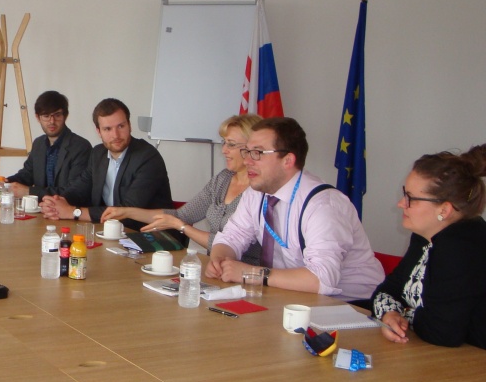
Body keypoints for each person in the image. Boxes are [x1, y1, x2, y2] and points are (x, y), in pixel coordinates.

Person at [206, 117, 384, 301]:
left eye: (257, 153)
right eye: (247, 152)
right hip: (292, 295)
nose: (247, 161)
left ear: (288, 160)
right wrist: (220, 260)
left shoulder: (323, 205)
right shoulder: (256, 193)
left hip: (352, 305)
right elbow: (232, 236)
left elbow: (322, 279)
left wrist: (251, 273)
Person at [102, 114, 263, 262]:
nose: (224, 150)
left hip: (247, 272)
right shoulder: (222, 179)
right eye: (224, 143)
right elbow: (181, 215)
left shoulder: (261, 190)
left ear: (251, 148)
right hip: (215, 267)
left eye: (231, 144)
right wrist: (127, 212)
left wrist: (181, 227)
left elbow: (229, 244)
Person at [372, 145, 486, 348]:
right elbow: (388, 290)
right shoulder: (424, 237)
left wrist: (403, 314)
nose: (401, 203)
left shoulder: (463, 248)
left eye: (411, 198)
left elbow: (442, 332)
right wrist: (390, 313)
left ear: (444, 210)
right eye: (404, 194)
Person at [40, 98, 172, 228]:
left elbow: (127, 211)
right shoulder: (98, 154)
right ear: (99, 132)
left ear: (129, 125)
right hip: (110, 231)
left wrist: (73, 212)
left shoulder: (148, 158)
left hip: (147, 233)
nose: (116, 135)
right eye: (108, 129)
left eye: (121, 126)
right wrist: (57, 202)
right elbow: (80, 188)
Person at [5, 90, 92, 200]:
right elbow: (27, 175)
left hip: (68, 208)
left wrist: (29, 191)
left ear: (65, 116)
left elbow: (74, 191)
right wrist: (6, 182)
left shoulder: (81, 147)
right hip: (41, 208)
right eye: (46, 116)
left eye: (57, 115)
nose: (52, 121)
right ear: (38, 118)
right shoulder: (38, 143)